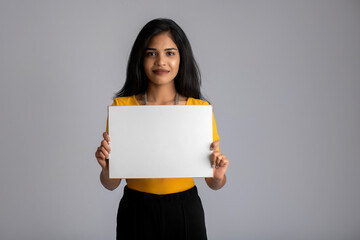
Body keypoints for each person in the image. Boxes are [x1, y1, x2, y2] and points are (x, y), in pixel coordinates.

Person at [95, 18, 229, 240]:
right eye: (151, 53)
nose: (161, 61)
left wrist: (217, 176)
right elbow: (110, 184)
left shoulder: (199, 110)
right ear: (141, 58)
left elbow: (215, 183)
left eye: (169, 53)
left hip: (185, 209)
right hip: (136, 209)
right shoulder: (122, 108)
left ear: (181, 57)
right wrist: (107, 170)